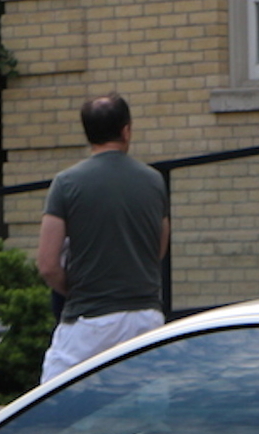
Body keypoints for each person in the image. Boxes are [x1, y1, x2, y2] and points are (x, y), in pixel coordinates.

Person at [35, 93, 169, 383]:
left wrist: (76, 290)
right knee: (145, 403)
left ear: (88, 134)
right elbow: (158, 247)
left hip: (90, 319)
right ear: (126, 130)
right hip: (146, 316)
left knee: (53, 402)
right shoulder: (154, 181)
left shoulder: (66, 183)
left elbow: (47, 263)